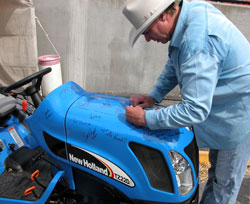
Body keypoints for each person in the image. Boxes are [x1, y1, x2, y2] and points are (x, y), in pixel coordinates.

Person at [122, 0, 250, 203]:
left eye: (146, 31)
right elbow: (175, 63)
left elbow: (195, 110)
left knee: (223, 185)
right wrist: (155, 96)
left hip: (239, 114)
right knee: (217, 175)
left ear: (163, 16)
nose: (147, 39)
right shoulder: (190, 12)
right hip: (224, 107)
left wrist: (146, 118)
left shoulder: (197, 43)